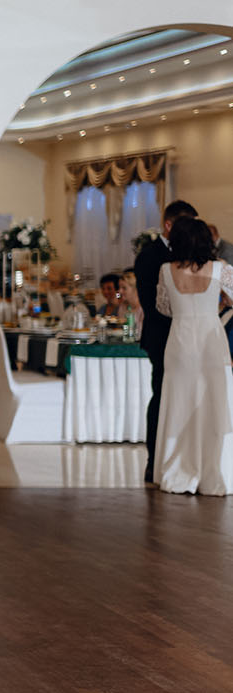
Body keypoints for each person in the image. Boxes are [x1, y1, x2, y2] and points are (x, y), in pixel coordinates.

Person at [151, 217, 233, 495]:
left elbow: (163, 307)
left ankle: (178, 469)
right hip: (212, 341)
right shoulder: (221, 268)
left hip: (180, 341)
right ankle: (214, 471)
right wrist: (221, 302)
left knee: (179, 403)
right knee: (214, 402)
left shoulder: (166, 270)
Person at [135, 200, 199, 484]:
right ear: (169, 225)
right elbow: (152, 305)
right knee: (162, 396)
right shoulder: (150, 256)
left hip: (193, 339)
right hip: (163, 339)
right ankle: (155, 460)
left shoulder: (192, 253)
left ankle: (187, 458)